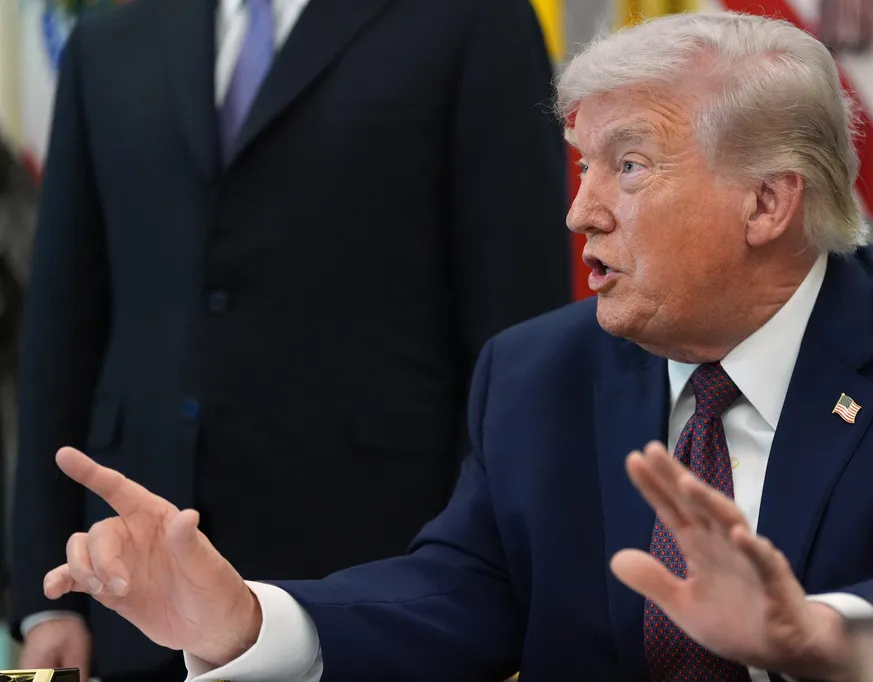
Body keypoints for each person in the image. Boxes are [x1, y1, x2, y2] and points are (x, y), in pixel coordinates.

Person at [37, 10, 873, 682]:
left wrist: (814, 629)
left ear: (767, 200)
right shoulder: (538, 371)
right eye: (580, 164)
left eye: (626, 167)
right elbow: (461, 589)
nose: (578, 212)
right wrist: (247, 621)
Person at [11, 0, 571, 680]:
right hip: (133, 585)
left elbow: (517, 314)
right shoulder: (109, 41)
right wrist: (46, 599)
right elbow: (62, 326)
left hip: (380, 569)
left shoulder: (472, 21)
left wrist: (504, 565)